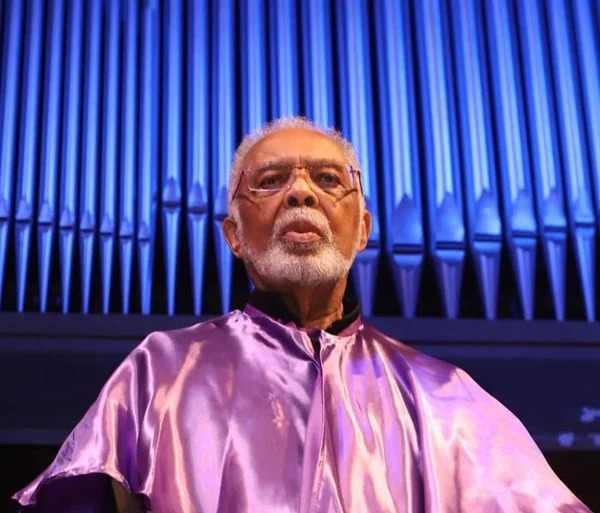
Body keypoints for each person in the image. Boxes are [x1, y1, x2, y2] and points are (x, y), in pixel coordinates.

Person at [14, 117, 591, 512]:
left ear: (362, 229)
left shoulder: (448, 398)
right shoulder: (159, 372)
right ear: (234, 235)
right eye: (270, 181)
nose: (301, 193)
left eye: (328, 179)